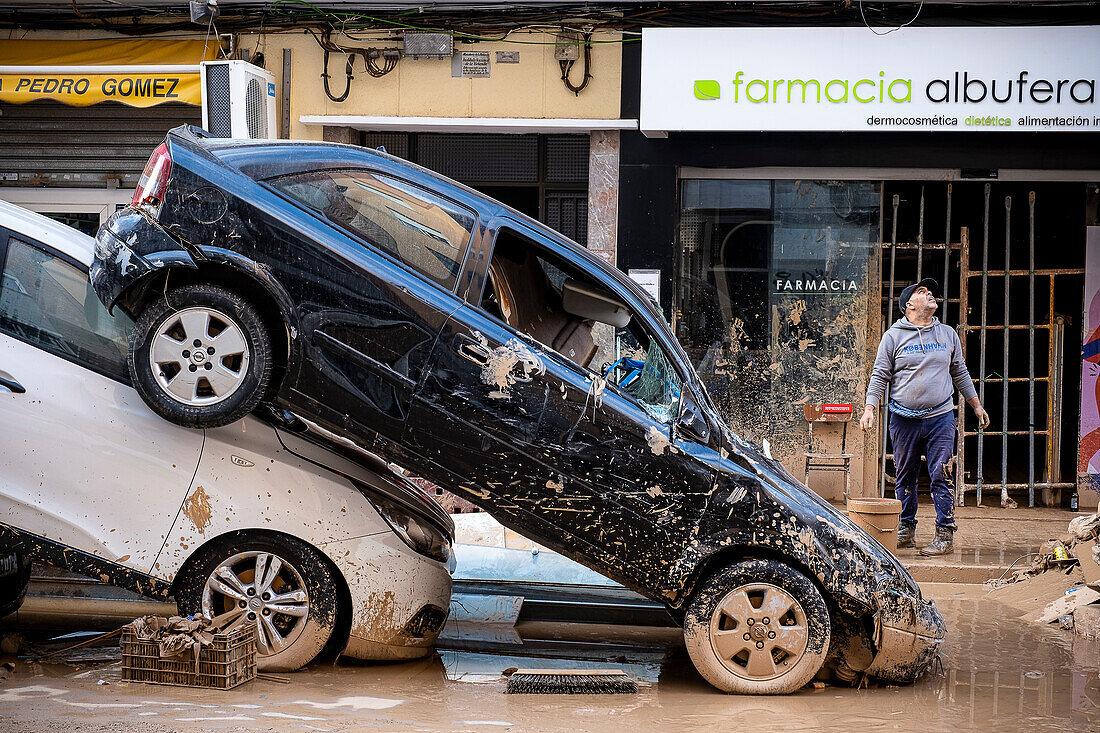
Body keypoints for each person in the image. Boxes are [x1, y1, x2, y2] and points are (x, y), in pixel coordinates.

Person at [859, 278, 990, 556]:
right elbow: (880, 374)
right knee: (905, 475)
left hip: (940, 417)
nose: (930, 294)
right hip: (903, 419)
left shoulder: (947, 334)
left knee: (941, 473)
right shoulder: (893, 336)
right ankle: (906, 529)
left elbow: (959, 372)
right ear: (909, 306)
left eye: (931, 291)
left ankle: (944, 533)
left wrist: (976, 405)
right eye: (922, 292)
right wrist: (870, 407)